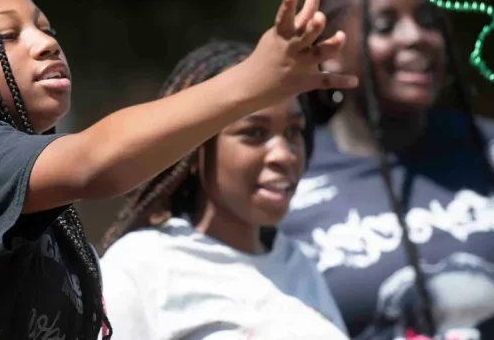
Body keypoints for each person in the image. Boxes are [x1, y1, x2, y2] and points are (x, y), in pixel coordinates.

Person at [0, 0, 357, 340]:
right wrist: (255, 80)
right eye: (8, 36)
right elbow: (97, 161)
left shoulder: (46, 227)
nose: (45, 44)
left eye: (46, 28)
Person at [278, 0, 494, 340]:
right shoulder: (290, 172)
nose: (415, 37)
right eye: (384, 26)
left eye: (428, 20)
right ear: (329, 50)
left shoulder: (489, 147)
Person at [97, 39, 350, 340]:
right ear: (193, 147)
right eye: (254, 133)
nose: (284, 154)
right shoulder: (141, 265)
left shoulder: (298, 265)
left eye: (294, 131)